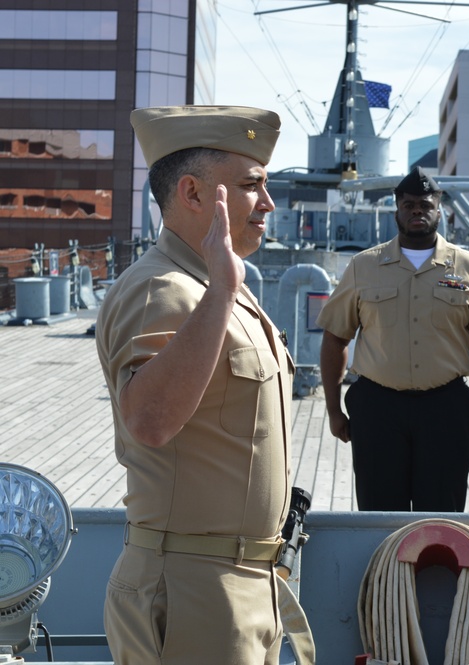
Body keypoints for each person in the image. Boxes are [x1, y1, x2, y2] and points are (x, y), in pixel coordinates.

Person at [95, 106, 293, 663]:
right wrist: (222, 292)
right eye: (252, 186)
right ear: (193, 192)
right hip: (191, 589)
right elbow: (150, 421)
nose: (268, 203)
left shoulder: (209, 283)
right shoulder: (166, 289)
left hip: (236, 585)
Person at [317, 167, 469, 512]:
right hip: (378, 409)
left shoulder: (467, 266)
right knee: (378, 512)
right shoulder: (364, 266)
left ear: (440, 211)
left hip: (446, 409)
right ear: (397, 210)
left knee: (442, 512)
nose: (416, 211)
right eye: (408, 205)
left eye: (425, 205)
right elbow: (335, 339)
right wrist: (334, 410)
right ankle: (383, 570)